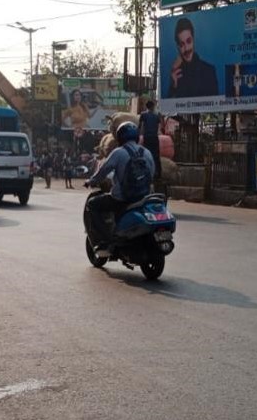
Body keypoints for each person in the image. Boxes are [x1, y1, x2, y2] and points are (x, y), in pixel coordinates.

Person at [84, 121, 156, 257]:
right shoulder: (146, 152)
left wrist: (91, 181)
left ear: (120, 137)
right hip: (144, 198)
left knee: (92, 204)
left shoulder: (118, 153)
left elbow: (103, 171)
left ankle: (106, 240)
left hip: (122, 199)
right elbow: (152, 173)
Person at [168, 18, 219, 99]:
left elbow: (216, 106)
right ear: (178, 47)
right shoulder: (176, 74)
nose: (186, 48)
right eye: (182, 45)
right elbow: (170, 108)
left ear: (193, 39)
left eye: (188, 41)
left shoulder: (209, 71)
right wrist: (174, 86)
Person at [139, 100, 163, 180]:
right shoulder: (156, 116)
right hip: (154, 138)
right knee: (156, 156)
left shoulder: (143, 115)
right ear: (152, 107)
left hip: (147, 138)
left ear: (146, 107)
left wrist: (141, 135)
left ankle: (146, 173)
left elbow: (141, 126)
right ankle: (158, 174)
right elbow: (159, 128)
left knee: (146, 155)